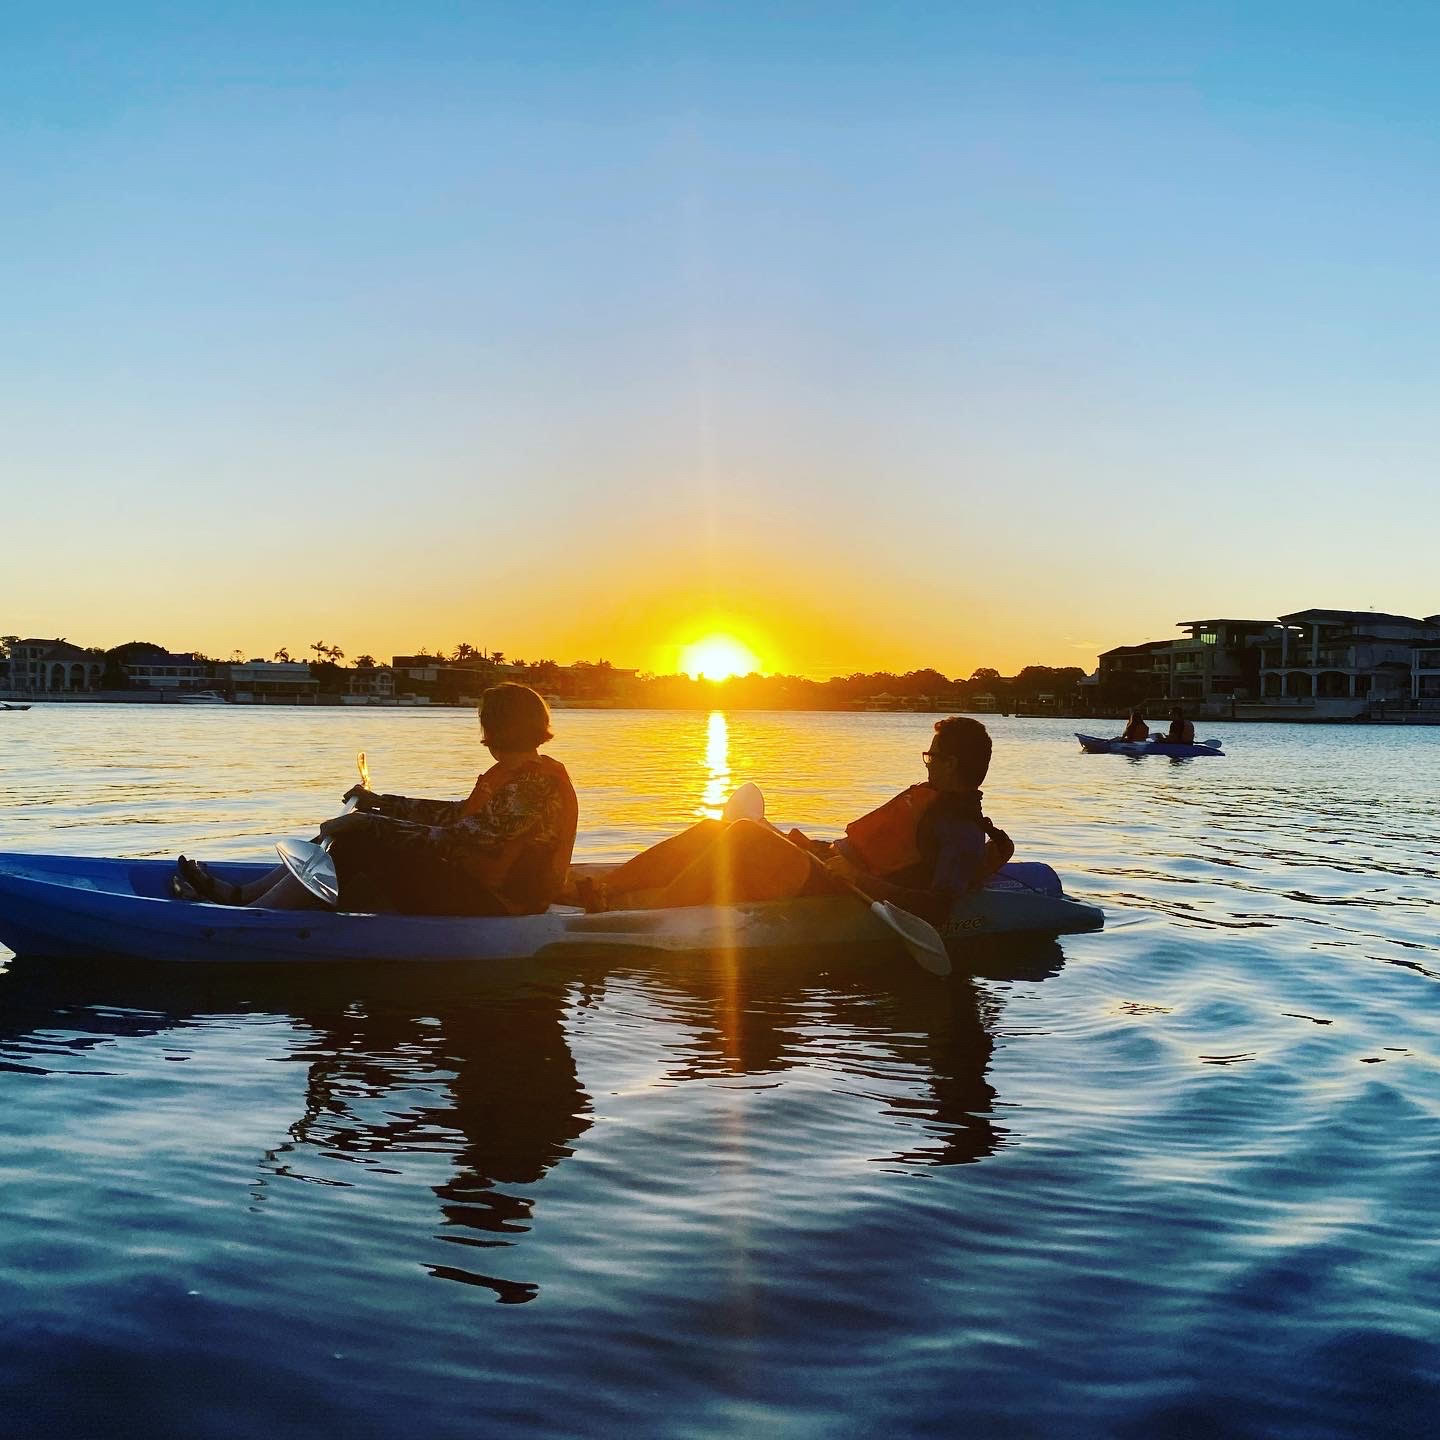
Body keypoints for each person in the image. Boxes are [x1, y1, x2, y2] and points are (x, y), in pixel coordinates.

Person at [174, 683, 577, 915]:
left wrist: (370, 825)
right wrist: (379, 803)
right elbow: (456, 816)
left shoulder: (532, 785)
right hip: (481, 886)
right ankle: (245, 897)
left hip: (503, 903)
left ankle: (256, 916)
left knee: (356, 840)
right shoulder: (513, 776)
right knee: (354, 832)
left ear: (495, 728)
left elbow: (466, 838)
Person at [583, 716, 1014, 927]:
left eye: (933, 755)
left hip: (837, 887)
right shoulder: (934, 803)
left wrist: (859, 881)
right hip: (824, 863)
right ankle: (609, 888)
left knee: (745, 837)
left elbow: (938, 908)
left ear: (953, 765)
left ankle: (644, 916)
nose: (927, 762)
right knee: (716, 828)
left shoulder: (960, 833)